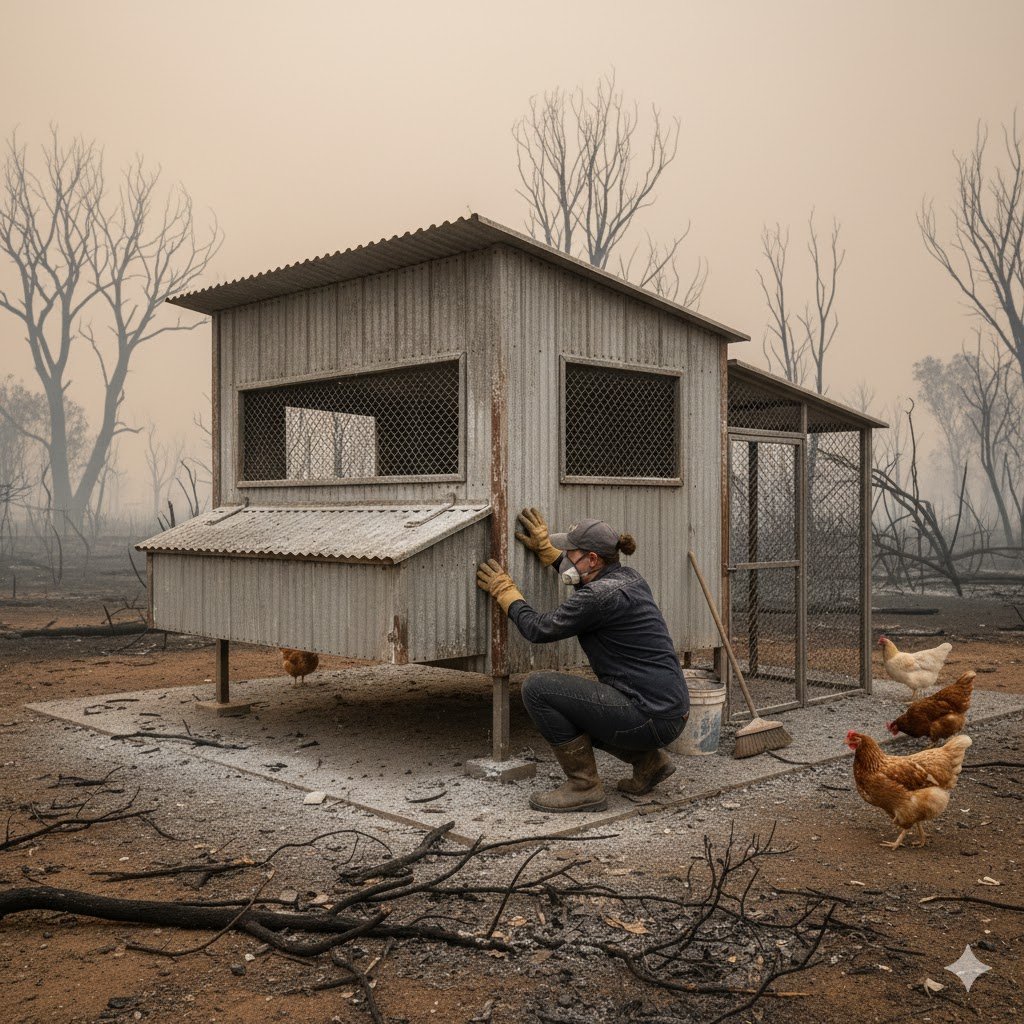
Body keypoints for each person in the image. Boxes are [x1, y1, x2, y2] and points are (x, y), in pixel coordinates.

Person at [476, 510, 690, 813]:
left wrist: (506, 593)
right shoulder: (628, 579)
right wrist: (550, 555)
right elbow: (588, 588)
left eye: (570, 553)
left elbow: (538, 629)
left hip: (647, 717)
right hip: (669, 713)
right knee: (583, 703)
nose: (566, 557)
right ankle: (649, 762)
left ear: (592, 560)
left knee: (538, 689)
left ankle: (584, 786)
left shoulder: (598, 597)